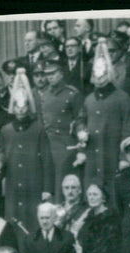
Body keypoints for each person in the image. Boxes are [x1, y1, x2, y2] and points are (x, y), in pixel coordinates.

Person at [0, 69, 54, 232]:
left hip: (33, 184)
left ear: (28, 106)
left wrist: (47, 189)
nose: (20, 110)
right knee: (13, 221)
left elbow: (47, 160)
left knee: (32, 221)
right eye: (17, 106)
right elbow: (1, 153)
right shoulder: (6, 130)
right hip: (13, 185)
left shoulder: (38, 129)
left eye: (23, 105)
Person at [76, 39, 130, 186]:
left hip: (113, 156)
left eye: (103, 71)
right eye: (96, 72)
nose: (99, 76)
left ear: (109, 71)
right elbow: (80, 120)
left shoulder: (122, 97)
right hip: (92, 156)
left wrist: (124, 158)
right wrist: (81, 133)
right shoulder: (89, 99)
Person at [40, 60, 83, 197]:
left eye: (53, 73)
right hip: (47, 143)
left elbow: (80, 121)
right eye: (47, 74)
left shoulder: (72, 94)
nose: (50, 77)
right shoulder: (45, 94)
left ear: (61, 74)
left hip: (65, 145)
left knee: (61, 184)